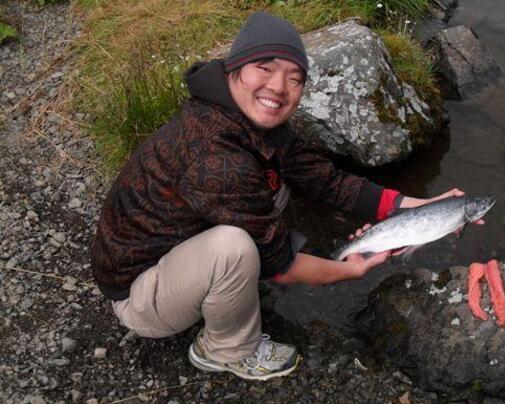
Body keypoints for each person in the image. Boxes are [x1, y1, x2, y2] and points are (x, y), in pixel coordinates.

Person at [90, 11, 480, 381]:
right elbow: (283, 265)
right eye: (265, 68)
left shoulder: (240, 118)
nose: (279, 87)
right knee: (235, 247)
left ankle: (223, 286)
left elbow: (324, 180)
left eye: (295, 78)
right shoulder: (217, 153)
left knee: (273, 195)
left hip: (173, 250)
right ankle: (225, 350)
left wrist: (417, 207)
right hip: (140, 295)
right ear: (234, 68)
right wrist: (348, 269)